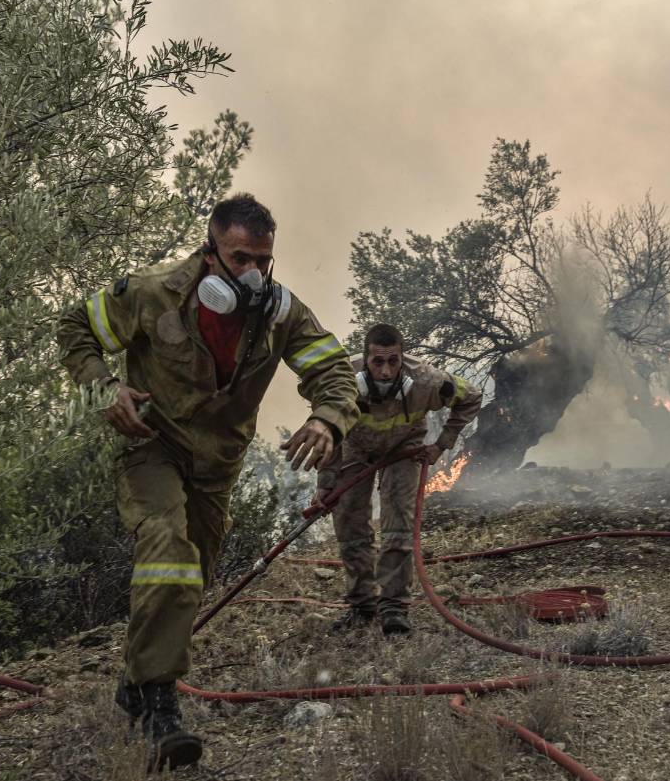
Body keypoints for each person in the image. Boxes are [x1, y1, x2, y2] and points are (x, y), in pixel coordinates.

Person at [57, 193, 358, 769]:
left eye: (262, 261)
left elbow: (335, 371)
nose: (253, 274)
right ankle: (158, 708)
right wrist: (104, 388)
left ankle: (135, 678)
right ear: (210, 252)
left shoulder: (282, 315)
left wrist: (326, 417)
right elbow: (75, 326)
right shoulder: (153, 293)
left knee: (191, 579)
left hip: (216, 467)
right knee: (168, 551)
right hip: (153, 447)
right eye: (240, 258)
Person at [317, 323, 482, 636]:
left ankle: (394, 609)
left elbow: (471, 396)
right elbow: (327, 431)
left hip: (404, 450)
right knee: (350, 526)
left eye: (393, 361)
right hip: (355, 449)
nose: (386, 371)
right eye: (377, 362)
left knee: (397, 527)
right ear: (365, 360)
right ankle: (362, 606)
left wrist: (440, 445)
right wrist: (326, 484)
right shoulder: (342, 382)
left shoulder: (427, 381)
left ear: (401, 358)